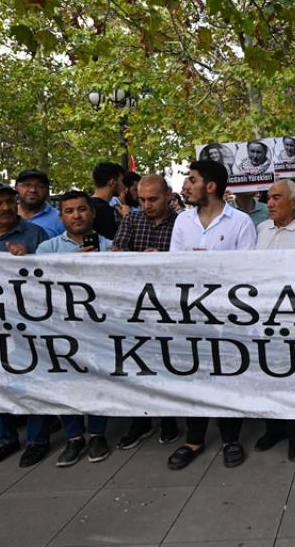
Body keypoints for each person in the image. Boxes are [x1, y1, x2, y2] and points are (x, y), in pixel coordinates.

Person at [167, 159, 257, 470]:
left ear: (211, 186)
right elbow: (173, 266)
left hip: (229, 316)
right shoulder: (182, 222)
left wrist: (212, 266)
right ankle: (193, 439)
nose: (186, 186)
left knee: (229, 374)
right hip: (192, 314)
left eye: (192, 180)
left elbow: (250, 271)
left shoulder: (241, 222)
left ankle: (231, 439)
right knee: (195, 373)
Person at [0, 182, 54, 468]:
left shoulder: (34, 233)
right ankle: (6, 438)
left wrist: (28, 260)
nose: (5, 207)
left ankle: (38, 440)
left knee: (34, 377)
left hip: (28, 320)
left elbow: (51, 273)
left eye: (9, 201)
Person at [35, 190, 115, 466]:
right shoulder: (47, 249)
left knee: (98, 379)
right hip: (60, 328)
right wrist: (72, 264)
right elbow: (39, 285)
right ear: (61, 217)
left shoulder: (111, 247)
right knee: (64, 380)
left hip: (97, 328)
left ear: (92, 213)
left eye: (81, 209)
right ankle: (74, 437)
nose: (76, 216)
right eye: (69, 211)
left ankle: (97, 434)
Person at [111, 174, 182, 448]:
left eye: (153, 199)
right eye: (141, 200)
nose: (147, 205)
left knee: (168, 365)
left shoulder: (182, 223)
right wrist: (137, 259)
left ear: (168, 196)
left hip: (170, 309)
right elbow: (117, 255)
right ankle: (140, 421)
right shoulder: (131, 220)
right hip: (135, 308)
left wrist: (163, 261)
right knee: (136, 366)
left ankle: (169, 419)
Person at [253, 179, 295, 461]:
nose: (269, 203)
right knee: (268, 375)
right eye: (268, 198)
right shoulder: (261, 229)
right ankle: (274, 429)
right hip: (264, 316)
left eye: (276, 197)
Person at [15, 169, 63, 238]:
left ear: (47, 190)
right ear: (16, 187)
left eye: (40, 186)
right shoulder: (6, 214)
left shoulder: (60, 219)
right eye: (27, 185)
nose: (33, 190)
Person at [90, 161, 126, 240]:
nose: (124, 185)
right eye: (122, 181)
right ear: (112, 182)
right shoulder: (104, 210)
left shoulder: (87, 204)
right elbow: (115, 242)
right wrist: (127, 217)